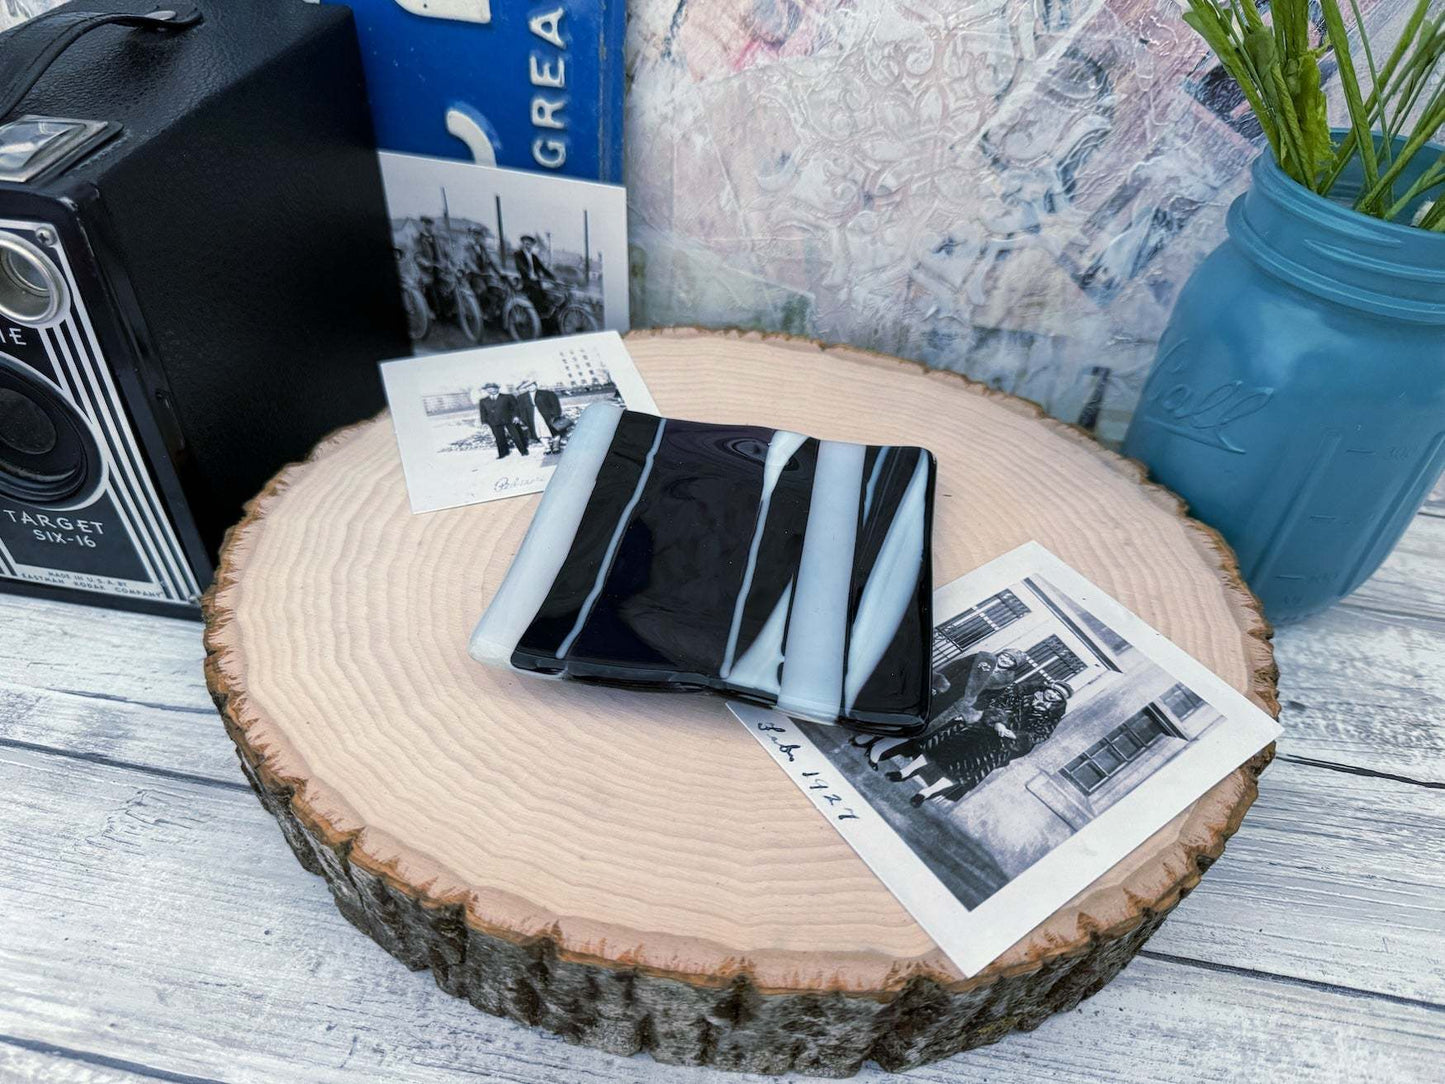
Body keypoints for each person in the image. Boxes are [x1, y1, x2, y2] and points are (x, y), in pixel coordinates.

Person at [888, 680, 1072, 806]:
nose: (1053, 696)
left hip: (1000, 746)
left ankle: (925, 794)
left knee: (965, 771)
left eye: (1058, 697)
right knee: (938, 750)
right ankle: (903, 772)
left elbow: (1041, 734)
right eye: (1053, 691)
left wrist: (1014, 735)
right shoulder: (1021, 693)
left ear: (1060, 701)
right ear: (1047, 688)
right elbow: (997, 704)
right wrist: (998, 722)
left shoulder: (1051, 716)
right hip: (983, 729)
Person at [514, 234, 558, 329]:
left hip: (536, 281)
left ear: (532, 245)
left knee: (546, 294)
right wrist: (529, 274)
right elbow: (520, 266)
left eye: (529, 244)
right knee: (536, 294)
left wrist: (552, 277)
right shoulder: (518, 254)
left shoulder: (534, 257)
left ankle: (545, 317)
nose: (527, 245)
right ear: (522, 244)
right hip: (525, 281)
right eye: (525, 243)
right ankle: (537, 318)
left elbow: (542, 268)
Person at [477, 382, 528, 459]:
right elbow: (483, 412)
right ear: (486, 390)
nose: (491, 390)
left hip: (509, 420)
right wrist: (484, 422)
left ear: (497, 388)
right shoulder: (483, 401)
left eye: (493, 388)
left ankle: (523, 451)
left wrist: (516, 416)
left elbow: (516, 407)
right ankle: (503, 453)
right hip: (494, 421)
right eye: (489, 389)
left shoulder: (507, 397)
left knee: (516, 435)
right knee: (499, 438)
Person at [513, 377, 539, 443]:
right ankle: (532, 438)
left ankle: (537, 437)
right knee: (528, 425)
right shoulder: (519, 397)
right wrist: (516, 416)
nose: (522, 390)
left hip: (534, 412)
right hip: (524, 414)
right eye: (520, 389)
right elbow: (516, 407)